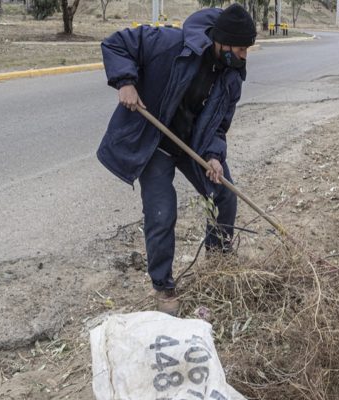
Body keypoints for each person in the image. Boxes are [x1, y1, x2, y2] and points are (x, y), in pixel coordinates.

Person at [97, 4, 256, 315]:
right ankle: (163, 286)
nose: (243, 56)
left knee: (224, 194)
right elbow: (116, 43)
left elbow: (219, 124)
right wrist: (125, 81)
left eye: (246, 50)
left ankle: (219, 260)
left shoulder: (231, 77)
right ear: (221, 41)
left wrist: (213, 155)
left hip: (190, 145)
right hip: (154, 141)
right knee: (161, 211)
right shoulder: (171, 44)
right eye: (239, 48)